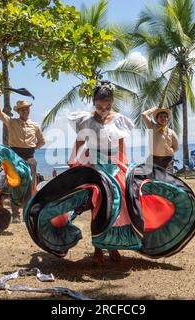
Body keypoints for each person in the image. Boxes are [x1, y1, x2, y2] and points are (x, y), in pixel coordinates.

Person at [68, 81, 135, 265]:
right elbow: (80, 142)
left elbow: (121, 145)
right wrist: (72, 159)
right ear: (93, 103)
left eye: (107, 106)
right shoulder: (87, 121)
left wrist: (124, 165)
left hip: (114, 166)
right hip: (95, 167)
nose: (103, 110)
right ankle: (98, 248)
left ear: (112, 103)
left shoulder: (119, 119)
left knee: (116, 205)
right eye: (99, 106)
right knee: (97, 206)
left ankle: (113, 247)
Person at [0, 86, 45, 223]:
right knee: (15, 184)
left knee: (30, 185)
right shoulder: (11, 122)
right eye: (23, 110)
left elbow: (42, 141)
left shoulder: (35, 125)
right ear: (18, 111)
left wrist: (32, 147)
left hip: (30, 157)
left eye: (27, 109)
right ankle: (15, 215)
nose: (26, 111)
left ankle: (27, 213)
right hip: (14, 156)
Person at [142, 107, 179, 173]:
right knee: (153, 181)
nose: (163, 118)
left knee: (167, 180)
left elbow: (176, 147)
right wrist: (153, 109)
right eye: (161, 117)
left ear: (167, 119)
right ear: (157, 119)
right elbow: (144, 115)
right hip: (154, 159)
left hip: (168, 160)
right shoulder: (152, 127)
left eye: (165, 117)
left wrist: (171, 151)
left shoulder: (171, 132)